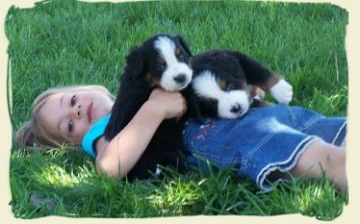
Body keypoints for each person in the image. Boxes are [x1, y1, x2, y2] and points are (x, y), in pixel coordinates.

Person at [15, 85, 347, 192]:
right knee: (324, 157)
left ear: (85, 88)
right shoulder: (105, 129)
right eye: (69, 126)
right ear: (76, 142)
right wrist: (155, 109)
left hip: (257, 114)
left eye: (71, 102)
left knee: (334, 129)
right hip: (217, 135)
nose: (75, 113)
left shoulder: (136, 88)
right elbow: (109, 165)